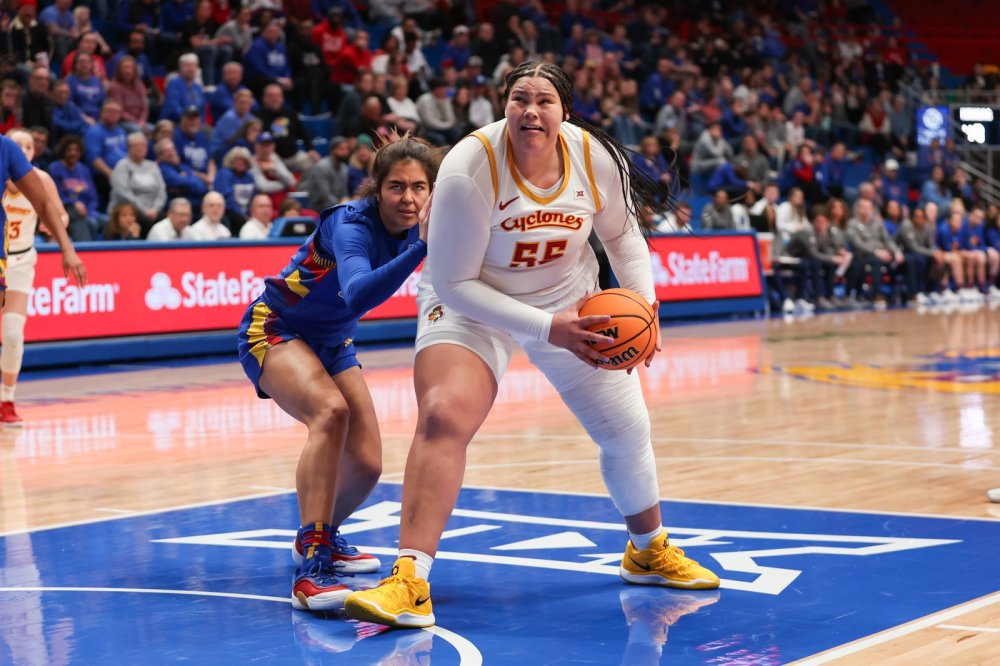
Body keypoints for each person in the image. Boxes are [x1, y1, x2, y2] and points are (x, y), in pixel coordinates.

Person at [344, 61, 719, 629]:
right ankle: (409, 580)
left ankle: (647, 550)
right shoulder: (470, 167)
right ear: (505, 107)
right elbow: (454, 283)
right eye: (520, 98)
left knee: (627, 429)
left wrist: (644, 306)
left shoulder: (595, 157)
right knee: (443, 414)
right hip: (473, 299)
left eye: (544, 100)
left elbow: (624, 237)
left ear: (565, 111)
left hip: (569, 295)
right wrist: (548, 328)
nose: (531, 110)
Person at [235, 134, 440, 611]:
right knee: (330, 413)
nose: (408, 199)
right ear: (377, 188)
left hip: (334, 341)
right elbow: (358, 293)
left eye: (418, 187)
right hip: (276, 327)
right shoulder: (349, 224)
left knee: (367, 463)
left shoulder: (429, 220)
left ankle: (320, 534)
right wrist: (422, 248)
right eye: (396, 187)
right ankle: (311, 572)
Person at [1, 129, 87, 425]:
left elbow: (59, 213)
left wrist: (58, 228)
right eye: (18, 144)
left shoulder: (41, 179)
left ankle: (6, 399)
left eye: (29, 145)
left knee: (13, 334)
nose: (24, 149)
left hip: (21, 259)